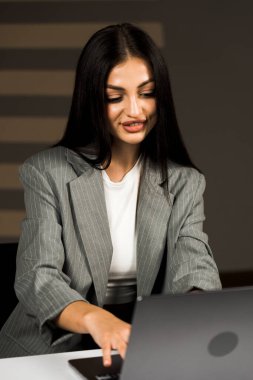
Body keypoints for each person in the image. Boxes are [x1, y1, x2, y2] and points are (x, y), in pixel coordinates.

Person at [0, 23, 221, 365]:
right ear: (92, 99)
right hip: (49, 347)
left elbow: (193, 262)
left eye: (146, 93)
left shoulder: (183, 181)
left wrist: (194, 308)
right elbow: (37, 276)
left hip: (134, 345)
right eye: (115, 97)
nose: (135, 111)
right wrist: (93, 318)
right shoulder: (46, 172)